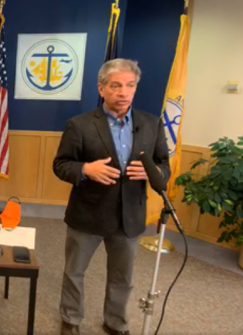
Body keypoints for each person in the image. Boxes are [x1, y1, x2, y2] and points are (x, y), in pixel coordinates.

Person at [52, 59, 170, 335]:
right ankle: (70, 319)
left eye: (130, 86)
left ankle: (115, 322)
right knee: (74, 272)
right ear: (101, 88)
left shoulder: (151, 124)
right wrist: (85, 169)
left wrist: (154, 172)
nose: (123, 92)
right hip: (88, 213)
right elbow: (61, 165)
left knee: (123, 277)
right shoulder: (79, 125)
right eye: (115, 85)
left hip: (129, 216)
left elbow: (164, 165)